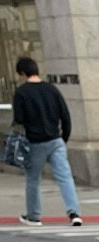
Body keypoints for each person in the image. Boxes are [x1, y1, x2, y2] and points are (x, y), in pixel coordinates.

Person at [11, 59, 83, 228]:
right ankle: (74, 213)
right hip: (55, 140)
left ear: (22, 73)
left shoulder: (21, 93)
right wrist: (63, 137)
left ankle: (34, 216)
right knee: (65, 177)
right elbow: (65, 115)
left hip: (35, 142)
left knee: (33, 179)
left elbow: (19, 120)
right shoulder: (52, 89)